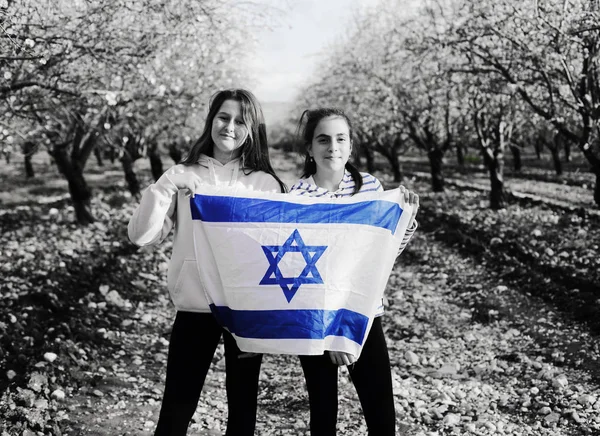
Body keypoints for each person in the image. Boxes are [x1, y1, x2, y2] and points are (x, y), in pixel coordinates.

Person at [127, 89, 287, 436]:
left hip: (244, 313)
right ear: (211, 120)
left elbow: (274, 256)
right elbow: (141, 236)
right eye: (223, 117)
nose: (229, 127)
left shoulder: (267, 185)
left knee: (243, 410)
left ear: (253, 129)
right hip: (195, 308)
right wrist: (166, 185)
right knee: (176, 409)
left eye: (240, 121)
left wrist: (263, 320)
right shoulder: (182, 175)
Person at [290, 108, 419, 436]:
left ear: (350, 147)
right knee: (322, 413)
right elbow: (298, 269)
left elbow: (380, 256)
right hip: (316, 318)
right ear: (309, 148)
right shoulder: (296, 197)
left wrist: (404, 226)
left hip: (363, 315)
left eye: (340, 138)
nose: (332, 146)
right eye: (323, 139)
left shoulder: (370, 188)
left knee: (380, 411)